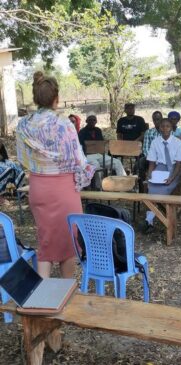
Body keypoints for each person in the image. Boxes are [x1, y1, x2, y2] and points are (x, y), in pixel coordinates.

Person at [16, 71, 95, 278]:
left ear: (35, 97)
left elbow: (23, 159)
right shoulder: (64, 126)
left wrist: (42, 165)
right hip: (63, 189)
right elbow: (78, 161)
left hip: (38, 187)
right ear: (56, 99)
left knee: (46, 241)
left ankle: (43, 298)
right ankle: (67, 295)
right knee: (68, 243)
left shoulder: (23, 125)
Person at [141, 118, 181, 233]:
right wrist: (150, 175)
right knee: (152, 187)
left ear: (171, 128)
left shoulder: (177, 142)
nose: (165, 129)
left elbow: (179, 164)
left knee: (165, 187)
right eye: (163, 126)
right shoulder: (155, 142)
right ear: (159, 128)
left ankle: (150, 219)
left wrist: (171, 178)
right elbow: (151, 162)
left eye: (168, 126)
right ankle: (150, 222)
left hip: (174, 170)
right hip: (160, 168)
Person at [139, 111, 163, 183]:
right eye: (154, 120)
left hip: (164, 157)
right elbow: (145, 149)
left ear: (162, 119)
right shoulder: (148, 132)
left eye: (158, 119)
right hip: (150, 157)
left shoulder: (168, 132)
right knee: (140, 162)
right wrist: (153, 158)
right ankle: (142, 186)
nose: (156, 121)